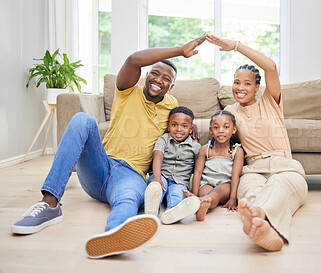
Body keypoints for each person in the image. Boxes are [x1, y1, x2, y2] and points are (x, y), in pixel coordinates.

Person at [11, 34, 206, 258]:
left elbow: (180, 122)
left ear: (170, 87)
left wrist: (191, 128)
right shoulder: (126, 90)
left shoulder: (172, 105)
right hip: (100, 165)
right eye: (154, 73)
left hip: (131, 175)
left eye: (165, 78)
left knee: (129, 201)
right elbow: (133, 60)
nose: (158, 80)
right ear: (146, 76)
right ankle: (50, 203)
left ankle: (114, 235)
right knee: (82, 120)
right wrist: (180, 50)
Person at [206, 34, 308, 251]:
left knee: (277, 186)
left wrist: (235, 46)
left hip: (285, 168)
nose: (240, 87)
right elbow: (216, 130)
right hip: (253, 169)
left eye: (247, 83)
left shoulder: (271, 101)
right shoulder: (229, 112)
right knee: (249, 191)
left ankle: (259, 218)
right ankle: (263, 228)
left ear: (257, 87)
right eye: (236, 82)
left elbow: (270, 66)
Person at [183, 110, 244, 221]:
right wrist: (195, 194)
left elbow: (235, 176)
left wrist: (233, 199)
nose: (221, 131)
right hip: (207, 182)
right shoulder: (205, 150)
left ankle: (202, 202)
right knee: (205, 192)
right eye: (216, 128)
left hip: (225, 184)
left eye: (226, 127)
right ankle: (202, 204)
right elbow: (198, 173)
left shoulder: (237, 151)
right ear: (211, 130)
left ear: (233, 129)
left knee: (217, 192)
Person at [145, 106, 201, 225]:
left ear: (191, 129)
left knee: (176, 194)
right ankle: (151, 211)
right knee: (156, 188)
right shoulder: (163, 139)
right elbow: (158, 156)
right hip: (162, 176)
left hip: (180, 182)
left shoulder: (196, 147)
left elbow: (198, 170)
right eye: (174, 125)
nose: (179, 129)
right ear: (168, 126)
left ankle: (172, 212)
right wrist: (156, 177)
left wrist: (194, 192)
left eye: (184, 126)